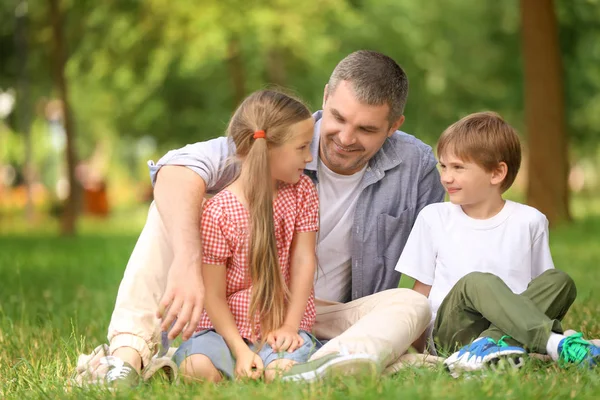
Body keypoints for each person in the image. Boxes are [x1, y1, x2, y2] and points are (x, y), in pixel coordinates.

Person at [104, 50, 444, 385]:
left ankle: (327, 363)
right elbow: (175, 169)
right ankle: (127, 357)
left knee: (413, 304)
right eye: (338, 117)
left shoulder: (416, 166)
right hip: (239, 301)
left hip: (321, 313)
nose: (345, 138)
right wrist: (187, 261)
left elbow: (435, 253)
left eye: (366, 129)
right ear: (326, 97)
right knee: (173, 207)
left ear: (393, 127)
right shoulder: (276, 134)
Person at [395, 112, 599, 376]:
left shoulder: (530, 221)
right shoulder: (434, 217)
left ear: (497, 173)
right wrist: (415, 352)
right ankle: (554, 343)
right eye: (443, 166)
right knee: (477, 282)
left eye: (458, 167)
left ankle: (489, 348)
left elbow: (537, 290)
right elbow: (420, 293)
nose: (446, 177)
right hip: (453, 334)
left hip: (510, 329)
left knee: (559, 281)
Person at [171, 90, 321, 382]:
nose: (309, 156)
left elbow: (304, 261)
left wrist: (290, 327)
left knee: (280, 373)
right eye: (302, 147)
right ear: (268, 150)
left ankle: (291, 363)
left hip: (281, 326)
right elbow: (213, 295)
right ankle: (236, 363)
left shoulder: (303, 192)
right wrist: (240, 350)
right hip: (225, 331)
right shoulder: (219, 212)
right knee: (195, 369)